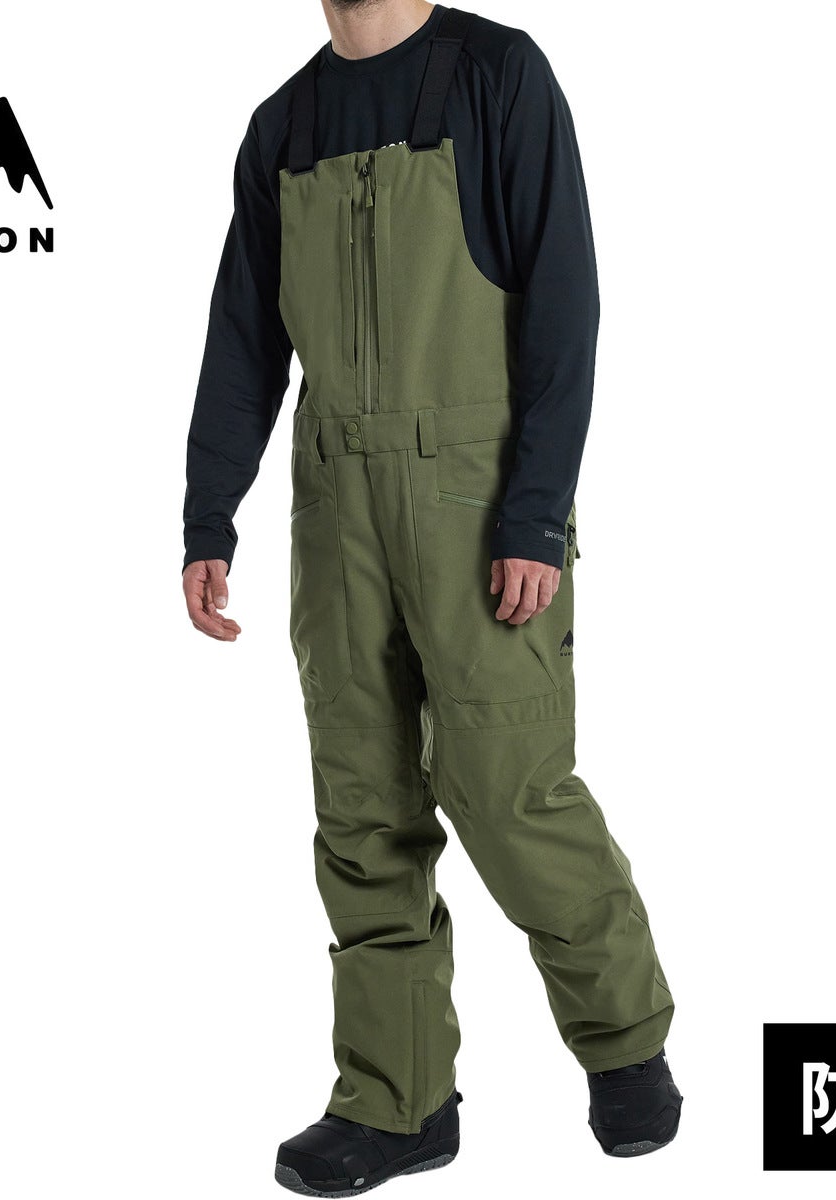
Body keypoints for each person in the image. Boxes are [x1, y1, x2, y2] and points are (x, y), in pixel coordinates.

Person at [182, 1, 682, 1191]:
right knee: (363, 814)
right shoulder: (282, 125)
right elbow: (244, 335)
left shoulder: (497, 76)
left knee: (508, 789)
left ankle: (625, 1042)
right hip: (335, 511)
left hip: (475, 496)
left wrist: (534, 515)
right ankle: (399, 1099)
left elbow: (564, 306)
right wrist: (210, 514)